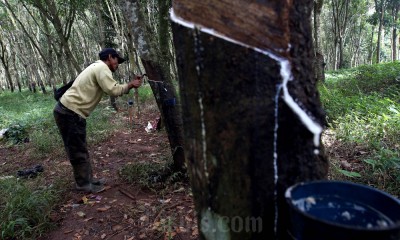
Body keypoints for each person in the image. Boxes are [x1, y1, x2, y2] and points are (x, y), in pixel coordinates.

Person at [53, 48, 142, 193]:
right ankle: (83, 184)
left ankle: (88, 180)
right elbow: (113, 90)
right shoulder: (102, 67)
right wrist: (130, 85)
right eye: (116, 60)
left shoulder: (96, 66)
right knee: (77, 149)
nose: (117, 64)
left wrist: (129, 85)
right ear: (109, 57)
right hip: (69, 112)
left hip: (70, 111)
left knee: (80, 146)